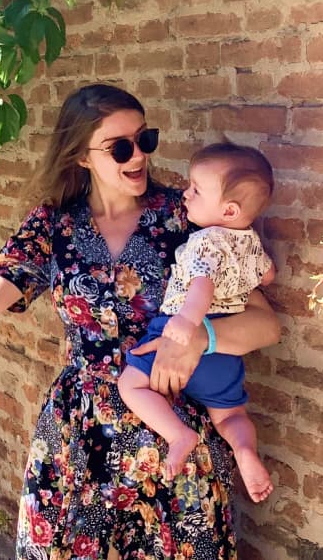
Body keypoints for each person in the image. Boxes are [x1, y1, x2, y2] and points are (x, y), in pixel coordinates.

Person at [0, 84, 281, 559]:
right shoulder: (54, 224)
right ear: (82, 156)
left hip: (172, 431)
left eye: (144, 139)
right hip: (78, 435)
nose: (138, 157)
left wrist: (198, 339)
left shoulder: (185, 217)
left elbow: (266, 324)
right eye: (120, 147)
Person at [118, 142, 277, 504]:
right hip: (224, 353)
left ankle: (178, 436)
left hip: (179, 329)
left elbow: (201, 284)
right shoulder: (250, 242)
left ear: (228, 209)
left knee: (131, 387)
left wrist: (187, 323)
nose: (186, 193)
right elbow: (267, 276)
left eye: (195, 189)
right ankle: (244, 449)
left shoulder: (204, 240)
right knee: (231, 416)